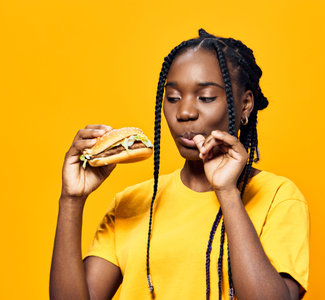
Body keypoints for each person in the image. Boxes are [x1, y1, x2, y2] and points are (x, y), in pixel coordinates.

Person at [49, 29, 310, 300]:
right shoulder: (131, 202)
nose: (184, 112)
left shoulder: (279, 197)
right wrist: (71, 199)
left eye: (206, 97)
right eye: (172, 98)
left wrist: (227, 192)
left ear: (245, 105)